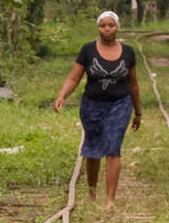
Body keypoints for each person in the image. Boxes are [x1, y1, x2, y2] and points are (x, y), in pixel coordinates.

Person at [53, 11, 142, 208]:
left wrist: (138, 111)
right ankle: (92, 193)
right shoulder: (88, 50)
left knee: (113, 149)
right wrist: (62, 96)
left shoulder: (128, 52)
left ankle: (110, 200)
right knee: (92, 149)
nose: (107, 29)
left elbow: (133, 83)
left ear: (117, 27)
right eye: (103, 25)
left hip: (120, 105)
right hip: (91, 106)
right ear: (98, 28)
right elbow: (74, 78)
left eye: (111, 25)